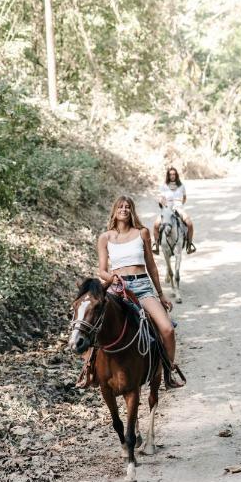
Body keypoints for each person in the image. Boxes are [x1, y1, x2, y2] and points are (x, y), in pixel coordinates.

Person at [93, 194, 184, 388]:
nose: (124, 210)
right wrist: (112, 278)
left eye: (127, 207)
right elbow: (101, 271)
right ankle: (90, 372)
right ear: (115, 211)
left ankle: (168, 372)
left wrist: (160, 294)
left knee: (167, 329)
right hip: (118, 289)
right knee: (95, 324)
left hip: (142, 287)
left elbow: (151, 265)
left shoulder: (142, 233)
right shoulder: (105, 238)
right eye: (120, 207)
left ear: (131, 210)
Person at [152, 166, 196, 254]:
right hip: (167, 208)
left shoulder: (181, 186)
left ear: (176, 175)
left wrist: (180, 204)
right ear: (168, 175)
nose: (172, 176)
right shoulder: (164, 186)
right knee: (156, 224)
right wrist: (163, 204)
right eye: (170, 174)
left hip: (178, 208)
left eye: (174, 174)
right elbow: (161, 198)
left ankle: (189, 244)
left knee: (189, 224)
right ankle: (156, 245)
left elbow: (184, 197)